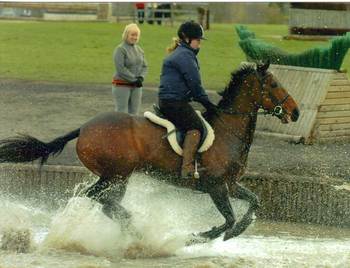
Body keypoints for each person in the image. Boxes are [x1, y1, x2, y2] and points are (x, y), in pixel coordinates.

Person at [158, 20, 218, 179]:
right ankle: (187, 167)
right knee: (196, 127)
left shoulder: (181, 53)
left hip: (170, 100)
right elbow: (195, 85)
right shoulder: (185, 56)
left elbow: (187, 85)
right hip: (174, 102)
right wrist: (208, 104)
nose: (200, 44)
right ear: (186, 38)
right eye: (198, 40)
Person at [112, 23, 147, 115]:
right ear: (126, 35)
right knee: (122, 113)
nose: (134, 37)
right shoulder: (120, 49)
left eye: (136, 35)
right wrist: (134, 79)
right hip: (122, 85)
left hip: (136, 86)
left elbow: (144, 66)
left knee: (134, 114)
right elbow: (121, 69)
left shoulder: (139, 50)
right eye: (132, 35)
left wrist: (141, 78)